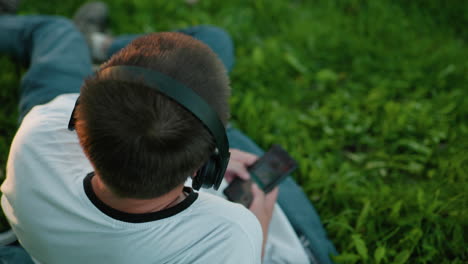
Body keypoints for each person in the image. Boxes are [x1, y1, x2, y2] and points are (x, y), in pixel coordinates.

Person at [0, 1, 337, 263]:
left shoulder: (39, 133)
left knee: (56, 30)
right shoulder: (230, 233)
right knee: (215, 41)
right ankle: (94, 46)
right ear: (205, 168)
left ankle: (88, 45)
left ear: (79, 119)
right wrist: (259, 221)